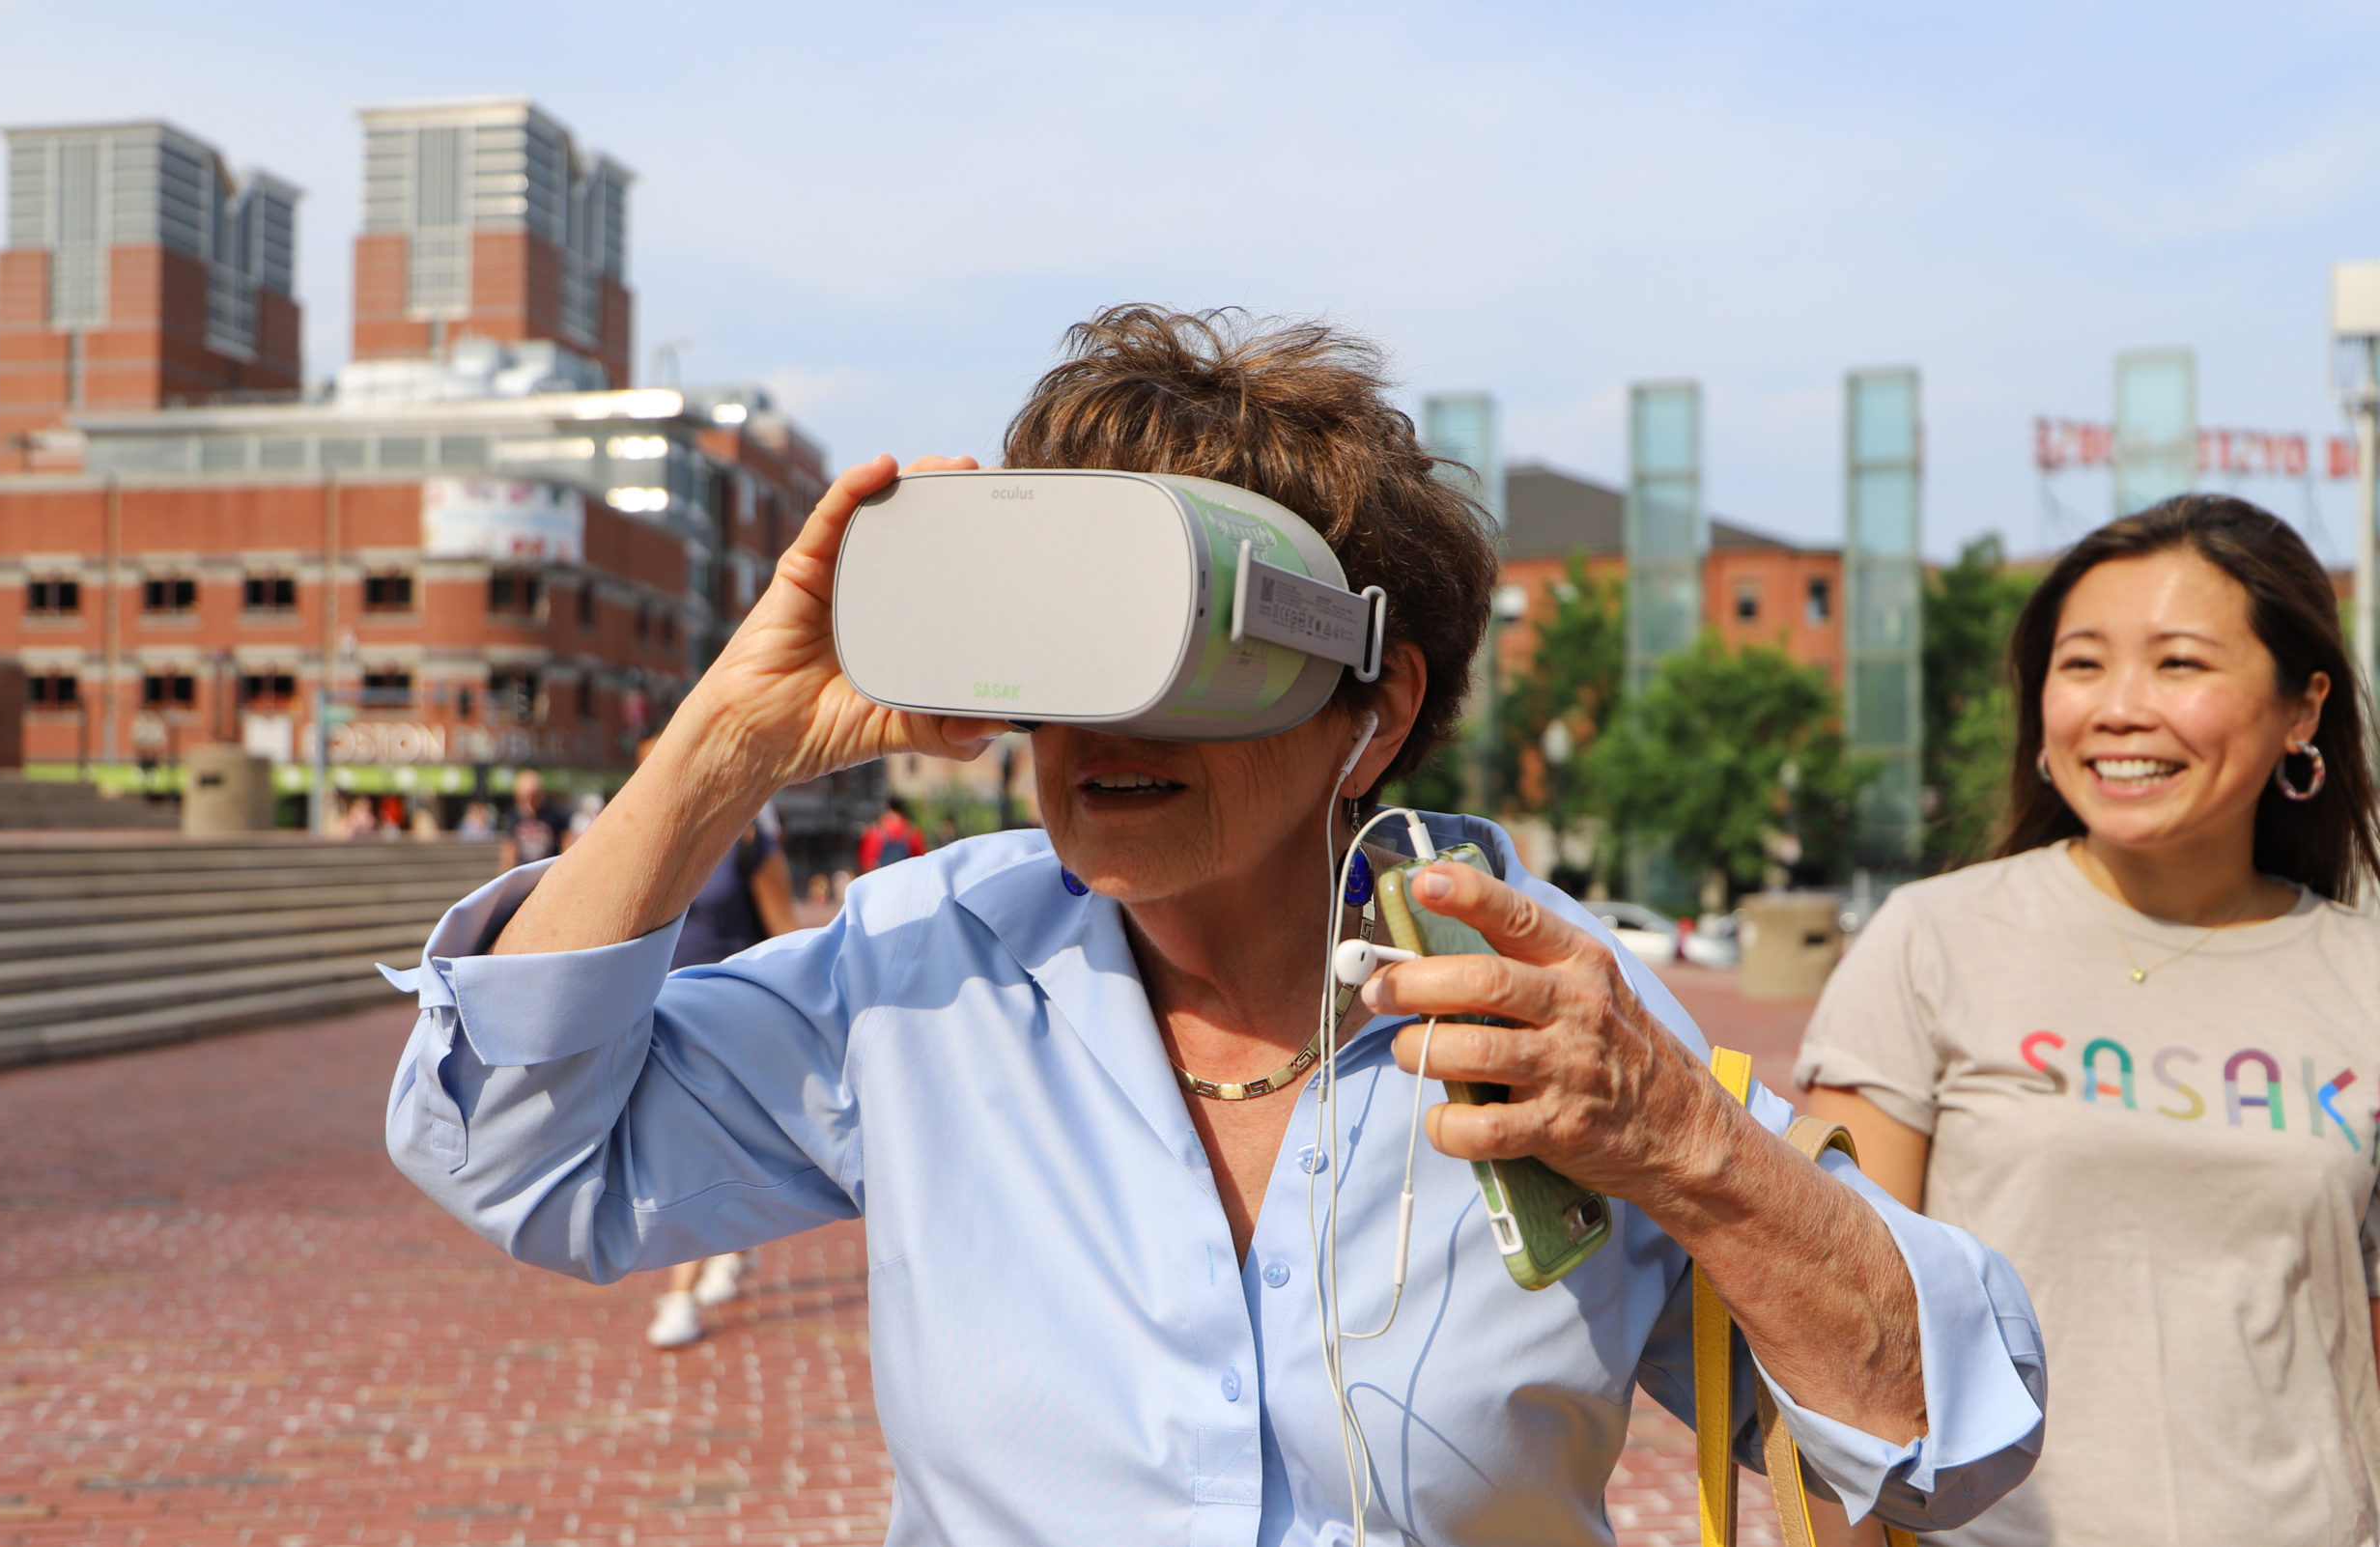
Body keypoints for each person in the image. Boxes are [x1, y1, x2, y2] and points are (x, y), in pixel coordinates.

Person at [386, 305, 2042, 1543]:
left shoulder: (1553, 1014)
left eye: (1175, 644)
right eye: (1065, 644)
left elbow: (1935, 1440)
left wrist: (1692, 1147)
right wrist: (726, 740)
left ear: (1371, 710)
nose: (1105, 727)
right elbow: (516, 1154)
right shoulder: (927, 967)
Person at [1799, 494, 2380, 1546]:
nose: (2119, 707)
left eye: (2178, 663)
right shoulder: (1932, 941)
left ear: (2301, 710)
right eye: (2082, 664)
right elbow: (1841, 1325)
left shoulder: (2362, 978)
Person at [638, 744, 801, 1348]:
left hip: (731, 1020)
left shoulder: (751, 839)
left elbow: (785, 930)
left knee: (697, 1155)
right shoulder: (643, 838)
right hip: (657, 1015)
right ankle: (730, 1241)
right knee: (695, 1153)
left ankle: (680, 1294)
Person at [499, 769, 558, 868]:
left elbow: (566, 842)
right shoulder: (514, 816)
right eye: (524, 799)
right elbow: (510, 849)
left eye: (533, 798)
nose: (529, 804)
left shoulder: (554, 814)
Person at [856, 796, 924, 873]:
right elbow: (920, 862)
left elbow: (866, 863)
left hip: (881, 879)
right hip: (905, 879)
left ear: (888, 809)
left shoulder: (875, 832)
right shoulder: (912, 832)